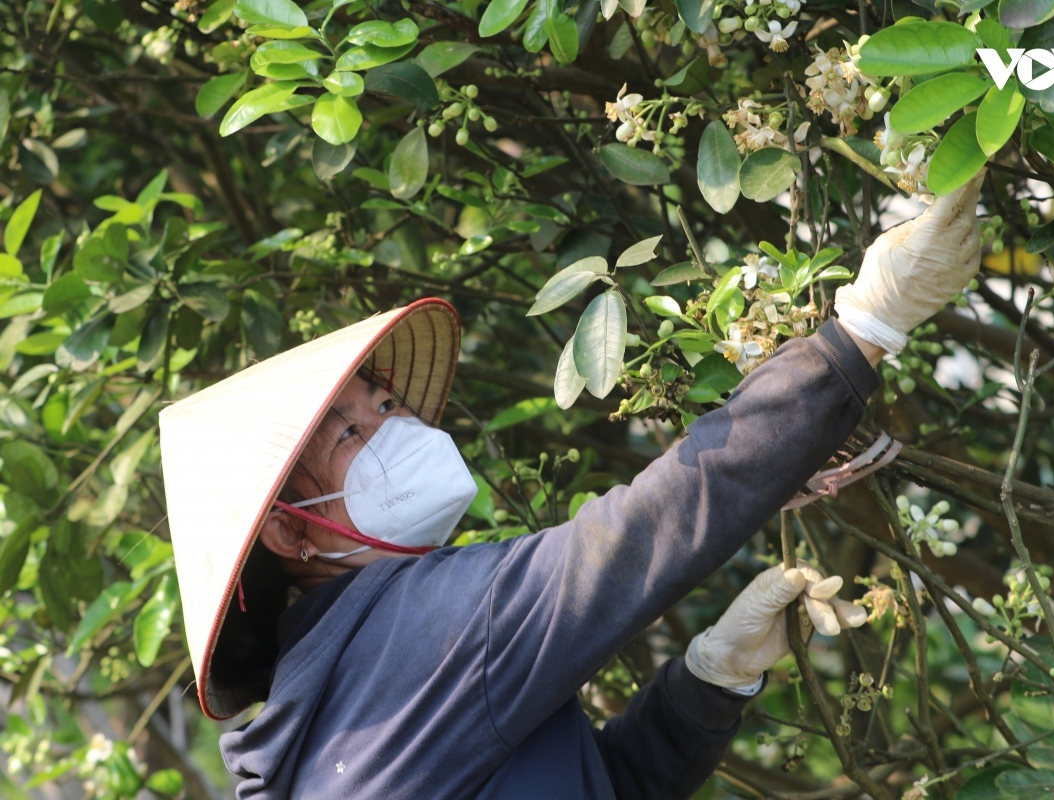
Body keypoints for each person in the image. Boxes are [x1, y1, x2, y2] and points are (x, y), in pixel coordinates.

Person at [158, 174, 983, 799]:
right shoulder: (415, 636)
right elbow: (633, 538)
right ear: (294, 535)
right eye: (348, 433)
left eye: (385, 403)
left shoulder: (325, 726)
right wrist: (864, 329)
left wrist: (706, 684)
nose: (395, 429)